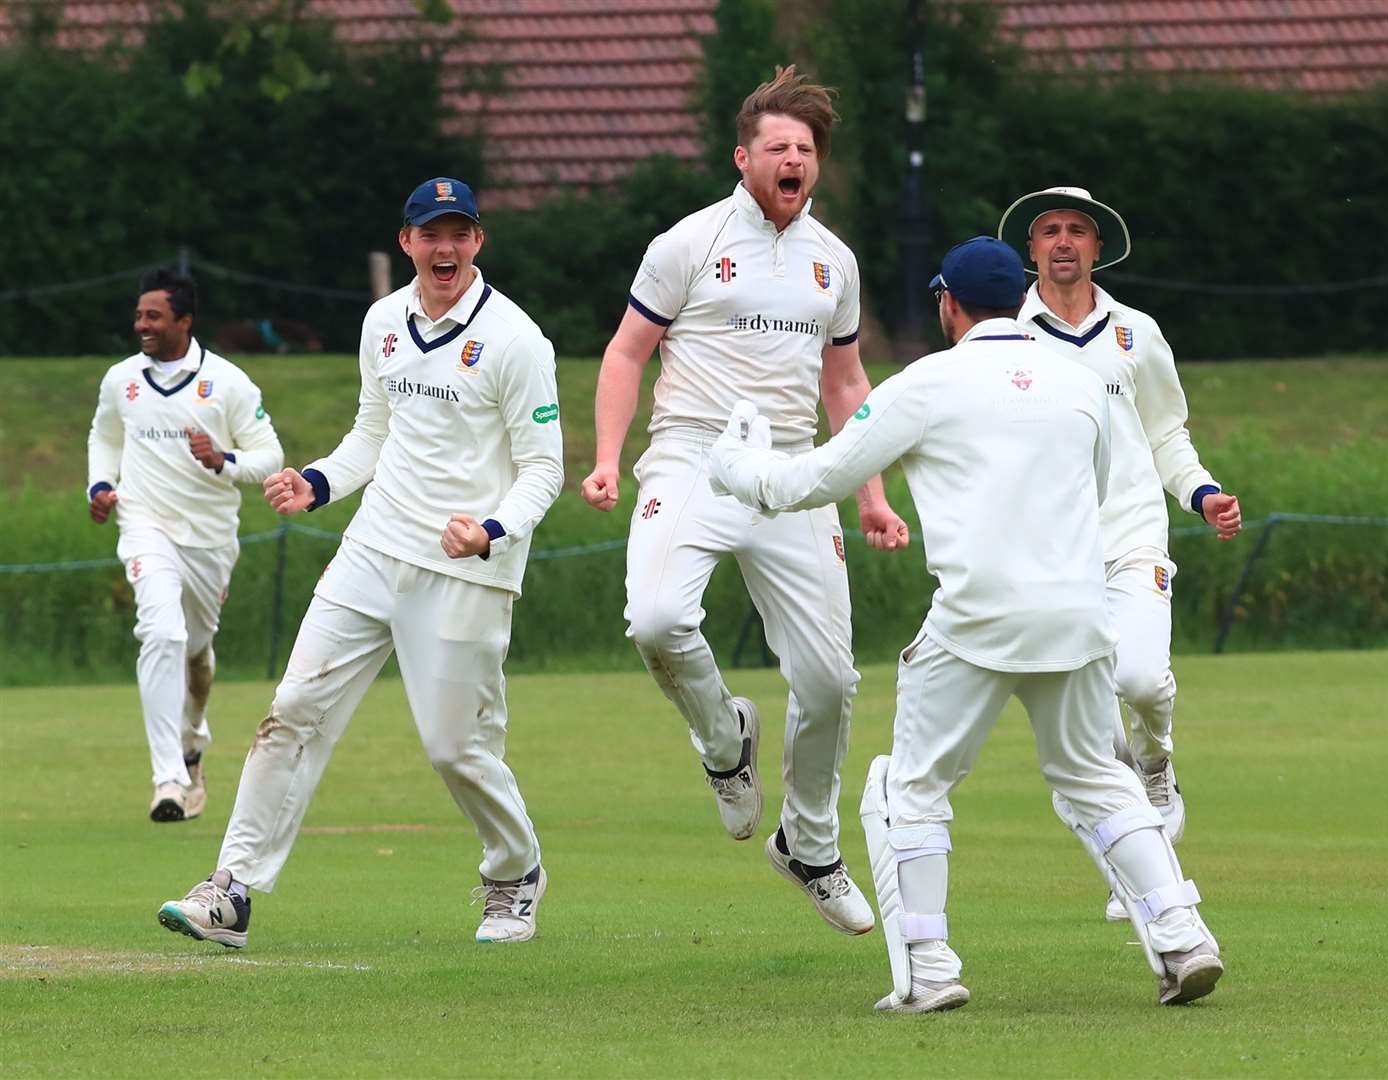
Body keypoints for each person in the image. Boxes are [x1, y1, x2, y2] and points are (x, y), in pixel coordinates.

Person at [709, 236, 1224, 1013]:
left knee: (908, 789)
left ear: (948, 304)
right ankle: (1184, 936)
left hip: (977, 618)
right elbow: (1111, 483)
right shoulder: (1081, 384)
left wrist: (734, 467)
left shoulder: (926, 383)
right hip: (1078, 614)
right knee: (1097, 778)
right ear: (1020, 300)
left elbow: (813, 481)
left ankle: (930, 968)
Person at [157, 177, 563, 948]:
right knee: (291, 713)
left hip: (466, 565)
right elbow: (372, 435)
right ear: (406, 242)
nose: (444, 248)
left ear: (478, 242)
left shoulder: (516, 339)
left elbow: (545, 467)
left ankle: (515, 870)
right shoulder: (382, 321)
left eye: (459, 233)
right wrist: (316, 483)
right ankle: (231, 891)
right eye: (428, 234)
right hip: (373, 549)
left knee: (456, 748)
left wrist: (493, 529)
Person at [581, 65, 908, 935]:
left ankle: (809, 844)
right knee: (655, 619)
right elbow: (624, 354)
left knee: (831, 680)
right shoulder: (688, 241)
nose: (793, 159)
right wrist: (609, 458)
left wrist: (870, 493)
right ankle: (726, 745)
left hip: (796, 469)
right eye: (777, 147)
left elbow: (846, 384)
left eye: (805, 149)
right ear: (744, 157)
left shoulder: (834, 261)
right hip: (693, 454)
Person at [997, 187, 1242, 920]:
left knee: (1139, 679)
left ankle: (1158, 761)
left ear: (1099, 247)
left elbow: (1168, 434)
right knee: (1090, 723)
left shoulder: (1137, 332)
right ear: (1031, 249)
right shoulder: (1006, 334)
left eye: (1077, 230)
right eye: (1050, 231)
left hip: (1133, 534)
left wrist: (1202, 493)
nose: (1064, 242)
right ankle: (1134, 872)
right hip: (1050, 551)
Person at [87, 268, 284, 823]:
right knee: (162, 631)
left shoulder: (229, 383)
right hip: (145, 524)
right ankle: (169, 779)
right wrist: (100, 486)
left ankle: (193, 740)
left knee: (195, 652)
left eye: (153, 316)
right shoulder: (121, 379)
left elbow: (270, 455)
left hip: (210, 540)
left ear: (184, 321)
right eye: (139, 315)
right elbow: (104, 436)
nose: (141, 325)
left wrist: (223, 460)